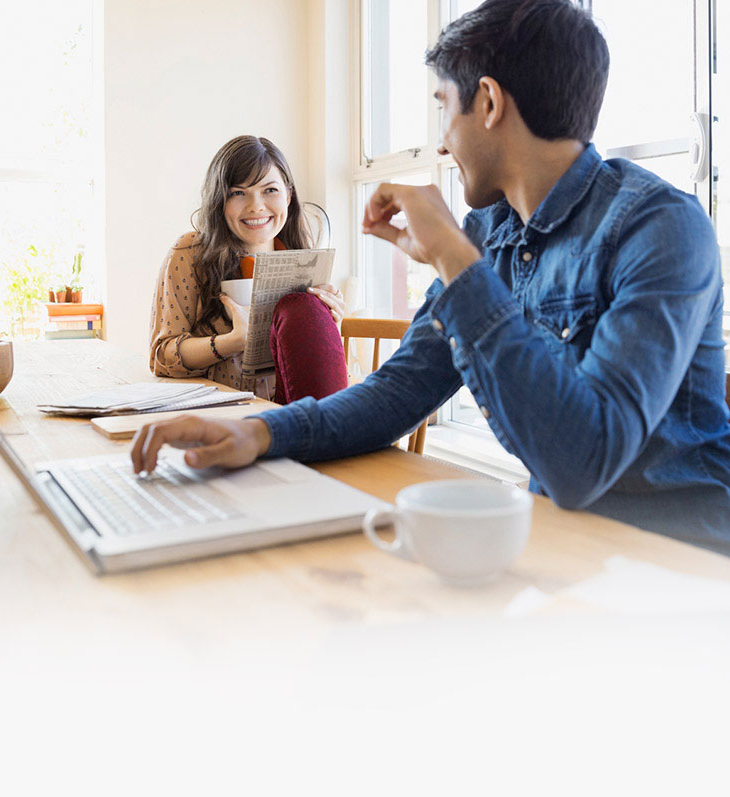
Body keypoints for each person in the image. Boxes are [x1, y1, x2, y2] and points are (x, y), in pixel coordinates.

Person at [133, 0, 730, 556]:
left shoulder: (661, 229)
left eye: (443, 106)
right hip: (557, 541)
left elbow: (582, 463)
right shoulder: (489, 231)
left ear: (489, 104)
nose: (442, 143)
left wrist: (452, 257)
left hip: (680, 563)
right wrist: (259, 435)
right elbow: (400, 390)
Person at [150, 134, 348, 406]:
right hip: (224, 415)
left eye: (270, 190)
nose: (256, 206)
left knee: (307, 311)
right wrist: (233, 341)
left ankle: (328, 441)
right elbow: (162, 357)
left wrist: (328, 326)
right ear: (219, 200)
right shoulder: (190, 252)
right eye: (238, 193)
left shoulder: (302, 258)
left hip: (289, 415)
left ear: (289, 195)